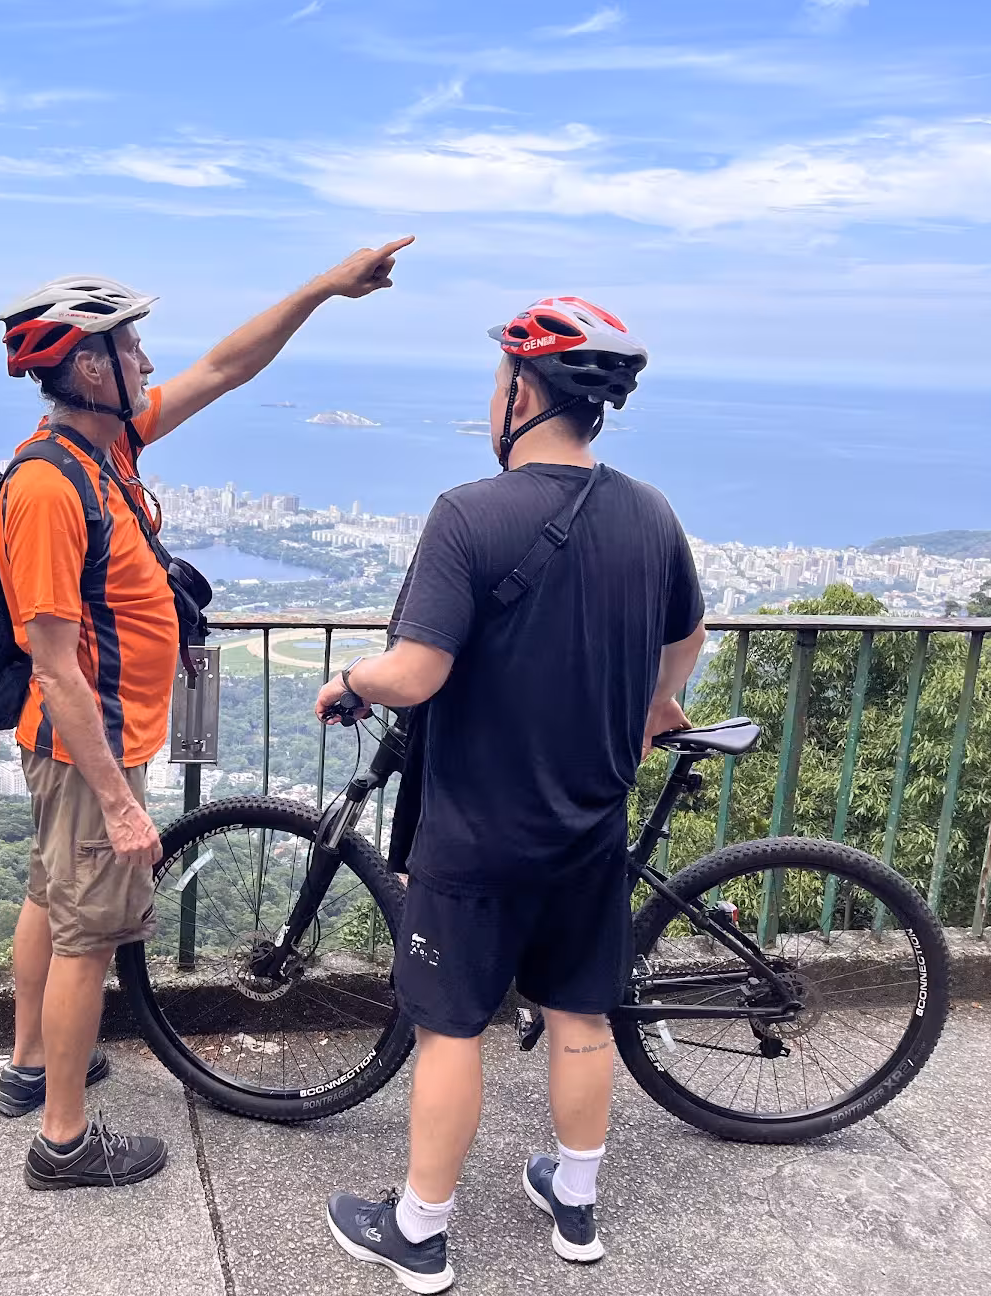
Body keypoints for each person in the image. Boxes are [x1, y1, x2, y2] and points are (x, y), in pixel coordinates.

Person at [0, 238, 415, 1192]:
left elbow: (226, 368)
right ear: (84, 364)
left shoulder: (110, 448)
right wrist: (122, 802)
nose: (146, 361)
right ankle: (63, 1141)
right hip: (85, 743)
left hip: (93, 743)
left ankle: (28, 1068)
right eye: (130, 347)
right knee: (86, 936)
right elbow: (54, 668)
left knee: (53, 899)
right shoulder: (51, 487)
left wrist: (320, 287)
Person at [316, 297, 706, 1290]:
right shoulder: (650, 512)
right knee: (581, 1019)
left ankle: (421, 1230)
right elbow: (687, 641)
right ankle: (575, 1206)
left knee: (451, 1028)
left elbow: (416, 674)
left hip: (477, 835)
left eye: (497, 383)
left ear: (522, 393)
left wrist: (352, 682)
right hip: (589, 829)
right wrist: (661, 704)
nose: (493, 399)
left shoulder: (468, 514)